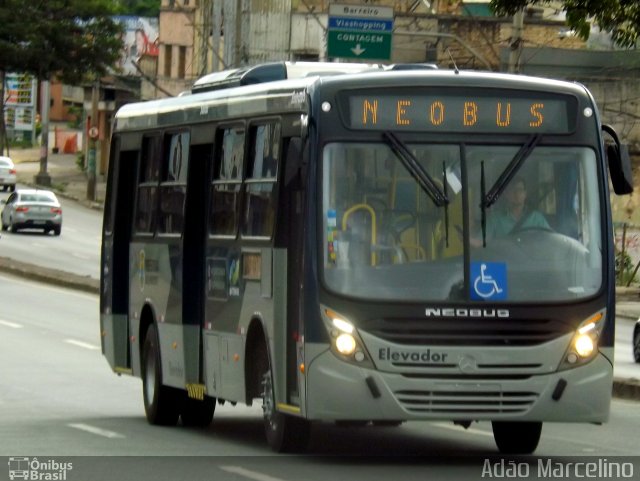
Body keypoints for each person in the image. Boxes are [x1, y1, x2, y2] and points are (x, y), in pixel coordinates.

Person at [471, 177, 550, 246]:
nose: (517, 193)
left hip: (530, 262)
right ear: (506, 194)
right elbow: (481, 242)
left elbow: (550, 240)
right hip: (504, 261)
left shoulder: (537, 218)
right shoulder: (495, 219)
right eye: (513, 190)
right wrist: (469, 240)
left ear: (525, 194)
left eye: (520, 190)